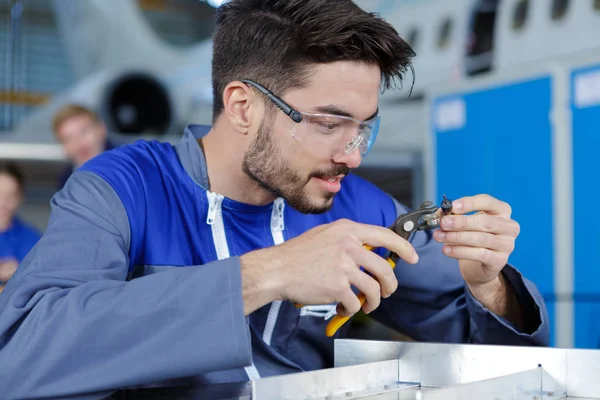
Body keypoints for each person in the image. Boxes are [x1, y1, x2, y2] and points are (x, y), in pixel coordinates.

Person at [0, 0, 549, 398]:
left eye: (364, 129)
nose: (353, 155)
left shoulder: (357, 206)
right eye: (330, 123)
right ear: (242, 106)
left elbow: (505, 367)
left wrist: (489, 288)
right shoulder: (121, 189)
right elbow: (21, 357)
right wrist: (263, 275)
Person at [51, 104, 116, 189]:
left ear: (101, 129)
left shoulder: (128, 167)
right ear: (64, 148)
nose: (79, 143)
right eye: (69, 139)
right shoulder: (65, 181)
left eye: (84, 132)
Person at [0, 162, 41, 293]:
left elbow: (43, 283)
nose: (3, 203)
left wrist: (21, 274)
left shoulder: (33, 239)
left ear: (20, 198)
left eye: (10, 196)